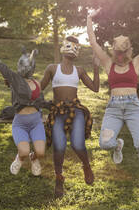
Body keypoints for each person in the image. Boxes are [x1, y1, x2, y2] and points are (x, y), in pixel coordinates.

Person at [87, 9, 139, 174]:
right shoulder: (107, 63)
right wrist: (89, 18)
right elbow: (92, 41)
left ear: (129, 51)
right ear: (114, 51)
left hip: (133, 107)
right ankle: (118, 145)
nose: (120, 56)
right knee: (105, 144)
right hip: (114, 110)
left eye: (123, 52)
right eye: (117, 52)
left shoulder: (136, 63)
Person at [0, 35, 49, 176]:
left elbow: (41, 103)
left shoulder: (37, 83)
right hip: (20, 123)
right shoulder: (14, 78)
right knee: (24, 151)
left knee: (40, 152)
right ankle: (20, 159)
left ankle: (34, 159)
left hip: (36, 122)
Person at [40, 35, 100, 197]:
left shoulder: (79, 70)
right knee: (59, 146)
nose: (72, 49)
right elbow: (38, 88)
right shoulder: (52, 68)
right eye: (70, 45)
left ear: (77, 51)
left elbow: (95, 88)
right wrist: (16, 82)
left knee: (77, 144)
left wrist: (95, 68)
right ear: (63, 47)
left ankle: (86, 166)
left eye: (75, 46)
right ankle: (59, 179)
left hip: (75, 109)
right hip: (58, 111)